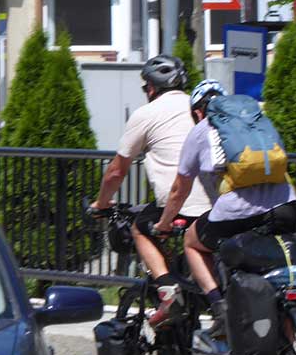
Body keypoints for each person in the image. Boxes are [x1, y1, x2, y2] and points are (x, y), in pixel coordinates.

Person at [153, 80, 296, 339]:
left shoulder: (201, 131)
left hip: (237, 212)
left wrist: (164, 224)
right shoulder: (257, 122)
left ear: (198, 111)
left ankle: (219, 307)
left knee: (192, 242)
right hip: (286, 204)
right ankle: (289, 339)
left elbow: (179, 189)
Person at [90, 55, 212, 327]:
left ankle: (168, 291)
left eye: (146, 87)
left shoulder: (146, 114)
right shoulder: (200, 107)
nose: (146, 92)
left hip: (179, 205)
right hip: (217, 207)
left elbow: (116, 172)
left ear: (152, 88)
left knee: (141, 227)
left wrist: (101, 203)